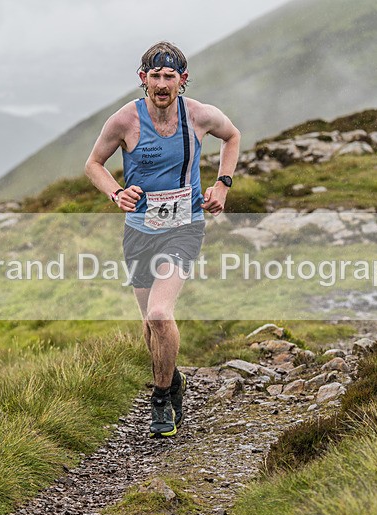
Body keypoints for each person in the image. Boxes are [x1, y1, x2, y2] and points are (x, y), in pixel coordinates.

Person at [85, 41, 240, 438]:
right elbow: (93, 164)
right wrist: (116, 193)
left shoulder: (199, 115)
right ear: (143, 79)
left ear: (182, 80)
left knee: (159, 313)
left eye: (170, 76)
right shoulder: (125, 120)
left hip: (184, 228)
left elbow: (232, 136)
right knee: (150, 325)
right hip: (139, 232)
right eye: (155, 76)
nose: (162, 84)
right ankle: (172, 381)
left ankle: (160, 400)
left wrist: (222, 185)